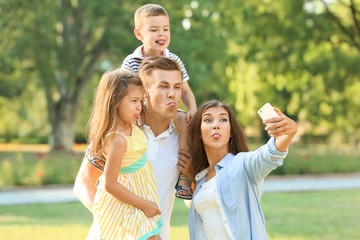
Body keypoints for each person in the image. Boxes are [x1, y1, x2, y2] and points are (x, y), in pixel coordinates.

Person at [74, 56, 193, 240]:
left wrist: (192, 176)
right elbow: (84, 182)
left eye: (177, 87)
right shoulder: (121, 130)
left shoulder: (184, 135)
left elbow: (190, 201)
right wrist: (116, 220)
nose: (173, 94)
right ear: (145, 92)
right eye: (163, 86)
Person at [187, 100, 298, 240]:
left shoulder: (243, 164)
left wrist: (288, 133)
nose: (216, 125)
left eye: (223, 120)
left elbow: (268, 155)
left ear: (231, 131)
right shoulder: (201, 178)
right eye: (208, 120)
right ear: (199, 133)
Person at [121, 4, 196, 199]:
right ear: (139, 34)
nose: (161, 34)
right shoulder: (131, 61)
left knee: (184, 122)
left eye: (166, 29)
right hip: (140, 112)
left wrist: (192, 110)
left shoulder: (174, 59)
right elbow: (122, 93)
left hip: (165, 111)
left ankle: (184, 177)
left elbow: (186, 91)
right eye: (154, 30)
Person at [87, 69, 162, 239]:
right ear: (114, 102)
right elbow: (110, 184)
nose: (139, 106)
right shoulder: (117, 140)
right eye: (134, 100)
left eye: (141, 101)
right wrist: (144, 205)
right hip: (126, 204)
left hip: (138, 198)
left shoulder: (132, 126)